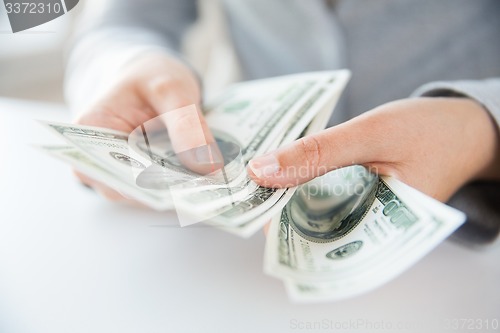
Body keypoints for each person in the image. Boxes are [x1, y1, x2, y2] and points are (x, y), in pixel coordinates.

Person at [65, 0, 500, 243]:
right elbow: (122, 20)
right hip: (236, 247)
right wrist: (127, 65)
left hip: (468, 241)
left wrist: (482, 130)